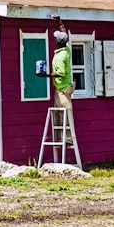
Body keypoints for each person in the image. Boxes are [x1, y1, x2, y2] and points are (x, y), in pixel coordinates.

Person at [48, 15, 75, 145]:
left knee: (65, 115)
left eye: (55, 38)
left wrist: (48, 75)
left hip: (63, 89)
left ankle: (68, 141)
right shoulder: (66, 48)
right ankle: (59, 140)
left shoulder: (62, 55)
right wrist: (60, 22)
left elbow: (62, 73)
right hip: (62, 88)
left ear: (58, 42)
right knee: (58, 115)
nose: (54, 40)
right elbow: (65, 33)